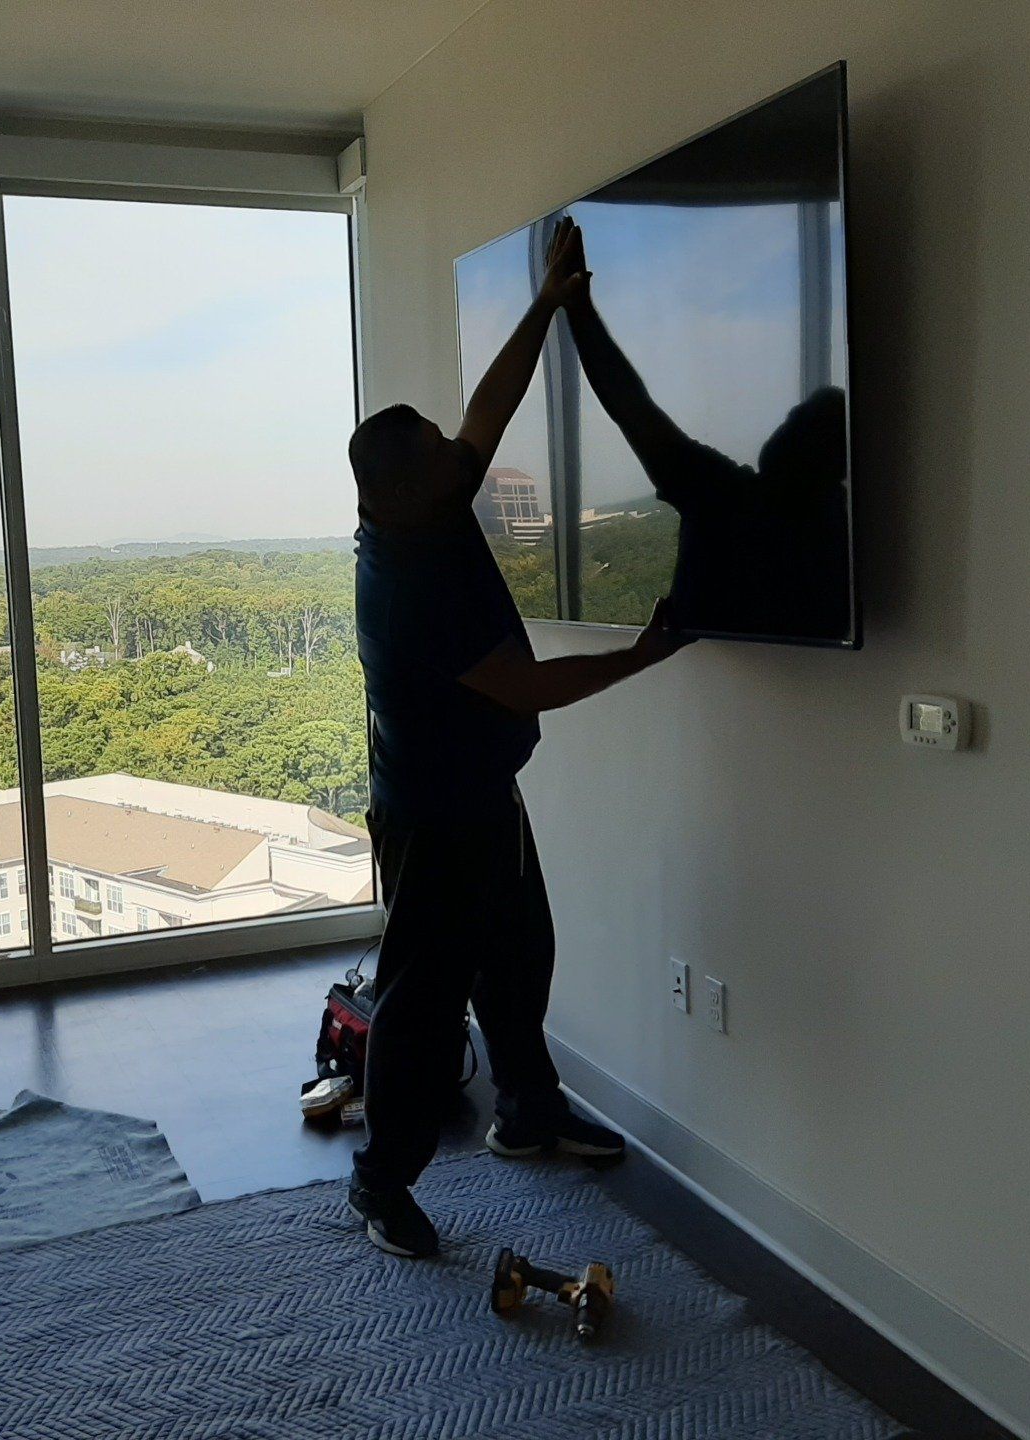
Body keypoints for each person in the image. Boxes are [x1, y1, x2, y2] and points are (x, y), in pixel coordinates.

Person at [345, 217, 691, 1258]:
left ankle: (527, 1109)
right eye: (450, 462)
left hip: (480, 794)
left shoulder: (422, 509)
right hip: (433, 819)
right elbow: (530, 683)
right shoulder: (410, 591)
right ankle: (380, 1184)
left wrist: (547, 302)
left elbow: (482, 417)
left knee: (518, 958)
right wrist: (651, 650)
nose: (470, 461)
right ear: (411, 493)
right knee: (418, 1004)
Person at [559, 230, 852, 642]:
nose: (782, 429)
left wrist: (578, 310)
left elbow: (632, 409)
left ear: (825, 456)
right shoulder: (841, 529)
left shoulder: (728, 497)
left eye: (796, 421)